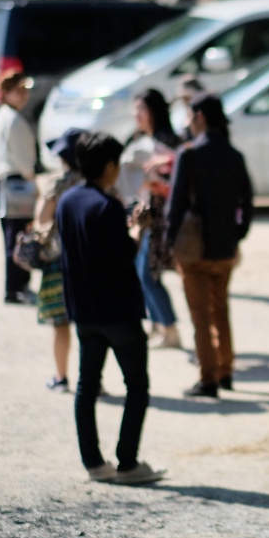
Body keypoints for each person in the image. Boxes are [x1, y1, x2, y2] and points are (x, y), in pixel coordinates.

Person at [56, 132, 165, 484]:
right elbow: (125, 255)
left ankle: (94, 463)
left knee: (87, 386)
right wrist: (138, 229)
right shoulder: (107, 206)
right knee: (136, 385)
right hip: (118, 310)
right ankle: (127, 463)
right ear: (108, 166)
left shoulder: (67, 201)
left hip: (83, 309)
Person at [165, 94, 254, 399]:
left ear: (199, 116)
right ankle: (226, 370)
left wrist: (167, 242)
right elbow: (248, 202)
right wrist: (238, 234)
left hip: (194, 247)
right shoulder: (234, 154)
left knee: (200, 315)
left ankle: (208, 378)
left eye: (190, 116)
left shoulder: (188, 154)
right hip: (224, 245)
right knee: (221, 310)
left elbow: (175, 206)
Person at [119, 89, 183, 349]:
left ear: (154, 112)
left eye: (141, 109)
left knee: (148, 274)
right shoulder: (142, 140)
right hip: (146, 217)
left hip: (162, 219)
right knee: (143, 272)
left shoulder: (168, 143)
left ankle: (169, 329)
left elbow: (180, 182)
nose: (136, 114)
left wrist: (161, 185)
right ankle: (159, 325)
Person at [33, 128, 86, 392]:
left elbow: (43, 219)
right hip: (89, 259)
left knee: (60, 323)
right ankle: (92, 380)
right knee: (90, 326)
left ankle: (62, 377)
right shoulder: (95, 181)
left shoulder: (57, 183)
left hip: (59, 258)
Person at [0, 70, 38, 305]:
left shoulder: (3, 116)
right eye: (18, 91)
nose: (24, 95)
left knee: (14, 236)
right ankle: (16, 287)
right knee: (19, 237)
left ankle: (16, 286)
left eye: (24, 90)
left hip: (4, 182)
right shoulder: (13, 120)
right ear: (6, 93)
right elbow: (23, 158)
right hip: (16, 182)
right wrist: (32, 182)